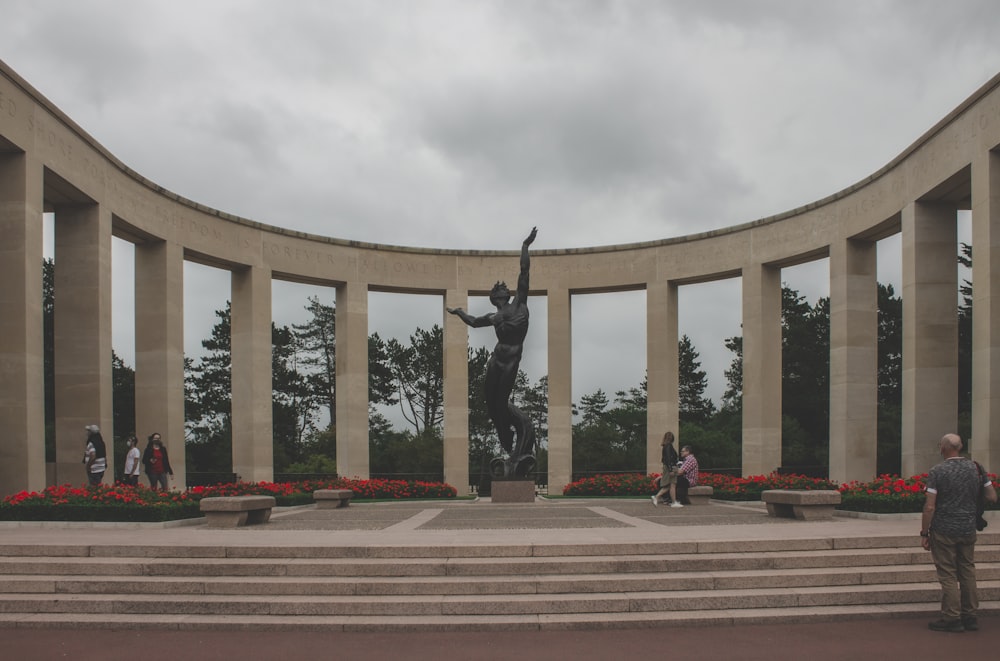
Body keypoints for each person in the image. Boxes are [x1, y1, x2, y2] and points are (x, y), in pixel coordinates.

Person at [447, 227, 538, 478]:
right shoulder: (494, 315)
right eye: (496, 292)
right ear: (493, 298)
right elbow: (475, 322)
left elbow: (524, 272)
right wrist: (459, 313)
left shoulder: (520, 303)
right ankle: (504, 433)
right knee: (491, 401)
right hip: (496, 359)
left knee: (501, 400)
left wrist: (525, 246)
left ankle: (513, 438)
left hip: (511, 359)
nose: (500, 292)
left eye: (502, 291)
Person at [921, 433, 997, 633]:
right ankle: (970, 615)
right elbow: (992, 496)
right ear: (960, 447)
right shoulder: (977, 468)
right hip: (967, 526)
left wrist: (924, 532)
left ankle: (952, 617)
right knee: (967, 570)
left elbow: (930, 506)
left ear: (943, 448)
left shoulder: (937, 471)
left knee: (947, 573)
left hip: (944, 528)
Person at [652, 431, 682, 507]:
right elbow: (669, 458)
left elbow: (666, 458)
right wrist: (671, 469)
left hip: (668, 466)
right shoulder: (669, 446)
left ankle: (657, 497)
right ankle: (673, 502)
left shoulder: (666, 446)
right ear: (672, 438)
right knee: (672, 485)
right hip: (671, 467)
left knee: (669, 485)